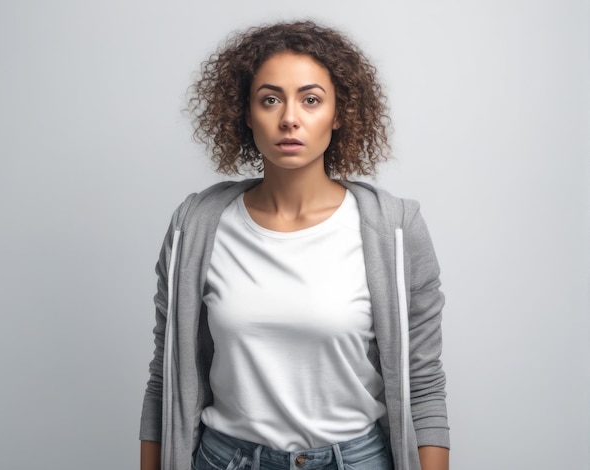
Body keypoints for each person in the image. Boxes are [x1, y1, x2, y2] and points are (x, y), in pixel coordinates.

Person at [140, 20, 449, 470]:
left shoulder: (396, 229)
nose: (289, 117)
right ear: (246, 113)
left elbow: (423, 385)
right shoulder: (197, 226)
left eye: (311, 99)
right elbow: (164, 378)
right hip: (227, 460)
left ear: (339, 113)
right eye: (270, 99)